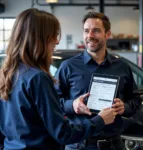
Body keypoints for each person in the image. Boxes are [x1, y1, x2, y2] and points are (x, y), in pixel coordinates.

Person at [0, 8, 116, 150]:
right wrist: (100, 120)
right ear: (39, 38)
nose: (57, 41)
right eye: (53, 35)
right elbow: (64, 134)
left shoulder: (9, 73)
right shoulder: (38, 78)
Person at [55, 11, 141, 150]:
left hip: (114, 145)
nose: (90, 36)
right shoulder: (68, 67)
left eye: (96, 31)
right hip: (78, 145)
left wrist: (125, 107)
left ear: (108, 34)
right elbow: (52, 103)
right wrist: (72, 105)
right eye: (86, 31)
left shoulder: (122, 67)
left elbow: (135, 99)